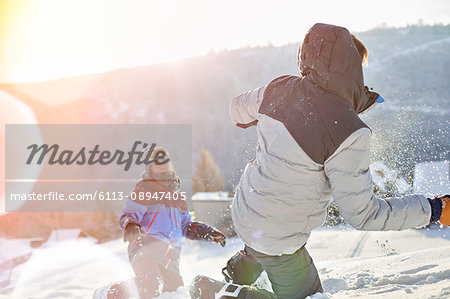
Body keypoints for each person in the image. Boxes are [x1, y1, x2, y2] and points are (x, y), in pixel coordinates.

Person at [191, 23, 450, 299]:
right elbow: (364, 214)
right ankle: (228, 294)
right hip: (281, 236)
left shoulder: (280, 88)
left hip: (246, 211)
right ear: (350, 67)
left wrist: (274, 109)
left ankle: (243, 267)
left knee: (266, 234)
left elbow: (236, 109)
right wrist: (434, 209)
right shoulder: (349, 131)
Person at [95, 147, 226, 299]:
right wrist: (131, 225)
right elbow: (129, 213)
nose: (162, 164)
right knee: (150, 286)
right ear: (150, 167)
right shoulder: (145, 189)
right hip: (146, 247)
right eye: (157, 161)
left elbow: (186, 227)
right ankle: (108, 293)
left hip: (171, 257)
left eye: (165, 161)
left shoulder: (177, 198)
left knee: (174, 293)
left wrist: (209, 232)